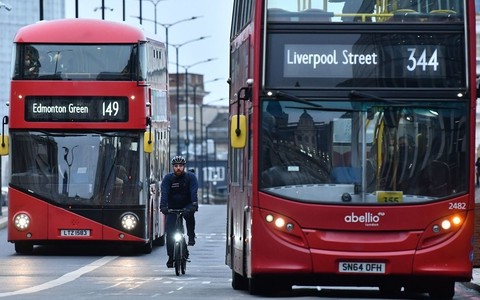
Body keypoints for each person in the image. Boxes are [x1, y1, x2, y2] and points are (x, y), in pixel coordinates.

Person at [160, 155, 199, 268]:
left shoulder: (190, 177)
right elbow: (164, 193)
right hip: (172, 206)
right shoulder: (168, 179)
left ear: (184, 167)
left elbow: (193, 192)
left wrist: (194, 205)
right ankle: (171, 256)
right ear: (173, 167)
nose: (178, 168)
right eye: (176, 166)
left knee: (189, 215)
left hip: (186, 205)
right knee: (170, 232)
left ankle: (191, 236)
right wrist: (163, 207)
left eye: (180, 166)